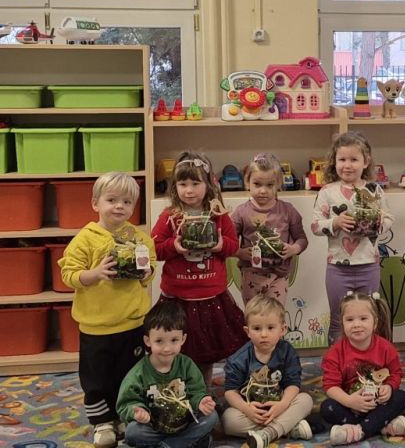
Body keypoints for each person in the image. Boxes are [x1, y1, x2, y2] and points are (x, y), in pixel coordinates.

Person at [58, 172, 157, 448]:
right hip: (96, 327)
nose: (119, 206)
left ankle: (125, 414)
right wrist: (95, 274)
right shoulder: (85, 238)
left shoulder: (139, 238)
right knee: (97, 378)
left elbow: (150, 268)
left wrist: (146, 272)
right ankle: (102, 422)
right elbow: (68, 274)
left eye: (127, 201)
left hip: (132, 323)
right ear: (95, 204)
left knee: (130, 375)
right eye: (111, 200)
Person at [151, 151, 247, 385]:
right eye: (183, 184)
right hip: (177, 298)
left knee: (206, 352)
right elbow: (153, 249)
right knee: (176, 349)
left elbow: (233, 246)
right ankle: (178, 389)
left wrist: (220, 245)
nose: (189, 190)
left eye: (195, 183)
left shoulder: (218, 214)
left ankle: (202, 391)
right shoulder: (170, 216)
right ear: (175, 186)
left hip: (211, 298)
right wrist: (174, 246)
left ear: (209, 184)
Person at [311, 132, 394, 343]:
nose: (347, 165)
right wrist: (335, 222)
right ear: (334, 161)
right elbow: (315, 226)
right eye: (342, 159)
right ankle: (337, 359)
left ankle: (367, 357)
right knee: (339, 319)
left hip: (368, 266)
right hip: (338, 268)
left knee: (369, 317)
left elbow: (388, 218)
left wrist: (376, 223)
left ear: (366, 162)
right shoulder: (327, 191)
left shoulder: (375, 190)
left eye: (354, 159)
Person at [117, 301, 218, 447]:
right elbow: (125, 403)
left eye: (174, 340)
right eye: (159, 341)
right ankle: (186, 443)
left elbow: (196, 391)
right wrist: (138, 411)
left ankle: (167, 445)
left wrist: (200, 401)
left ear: (183, 339)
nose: (167, 348)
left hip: (183, 423)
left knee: (212, 417)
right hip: (153, 427)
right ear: (148, 341)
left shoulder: (187, 365)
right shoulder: (138, 373)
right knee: (133, 432)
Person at [222, 295, 314, 448]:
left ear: (282, 330)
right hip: (252, 411)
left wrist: (283, 404)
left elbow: (293, 383)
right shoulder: (238, 359)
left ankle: (268, 433)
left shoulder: (287, 352)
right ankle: (288, 428)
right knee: (228, 420)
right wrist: (246, 409)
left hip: (280, 406)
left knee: (306, 400)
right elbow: (230, 391)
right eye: (257, 329)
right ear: (247, 331)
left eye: (270, 328)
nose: (264, 334)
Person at [320, 292, 405, 445]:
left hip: (379, 404)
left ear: (375, 322)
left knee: (401, 397)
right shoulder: (335, 353)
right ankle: (381, 425)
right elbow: (330, 386)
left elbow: (395, 373)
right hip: (350, 405)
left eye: (363, 319)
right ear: (342, 323)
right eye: (350, 320)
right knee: (327, 408)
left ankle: (359, 430)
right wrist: (350, 401)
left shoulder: (386, 348)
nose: (356, 325)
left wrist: (389, 387)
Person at [232, 153, 308, 304]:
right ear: (247, 182)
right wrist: (239, 252)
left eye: (269, 185)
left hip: (279, 276)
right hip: (251, 274)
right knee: (254, 315)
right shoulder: (241, 212)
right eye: (257, 184)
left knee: (275, 314)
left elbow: (302, 239)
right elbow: (228, 242)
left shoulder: (288, 211)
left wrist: (293, 249)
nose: (263, 191)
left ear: (278, 184)